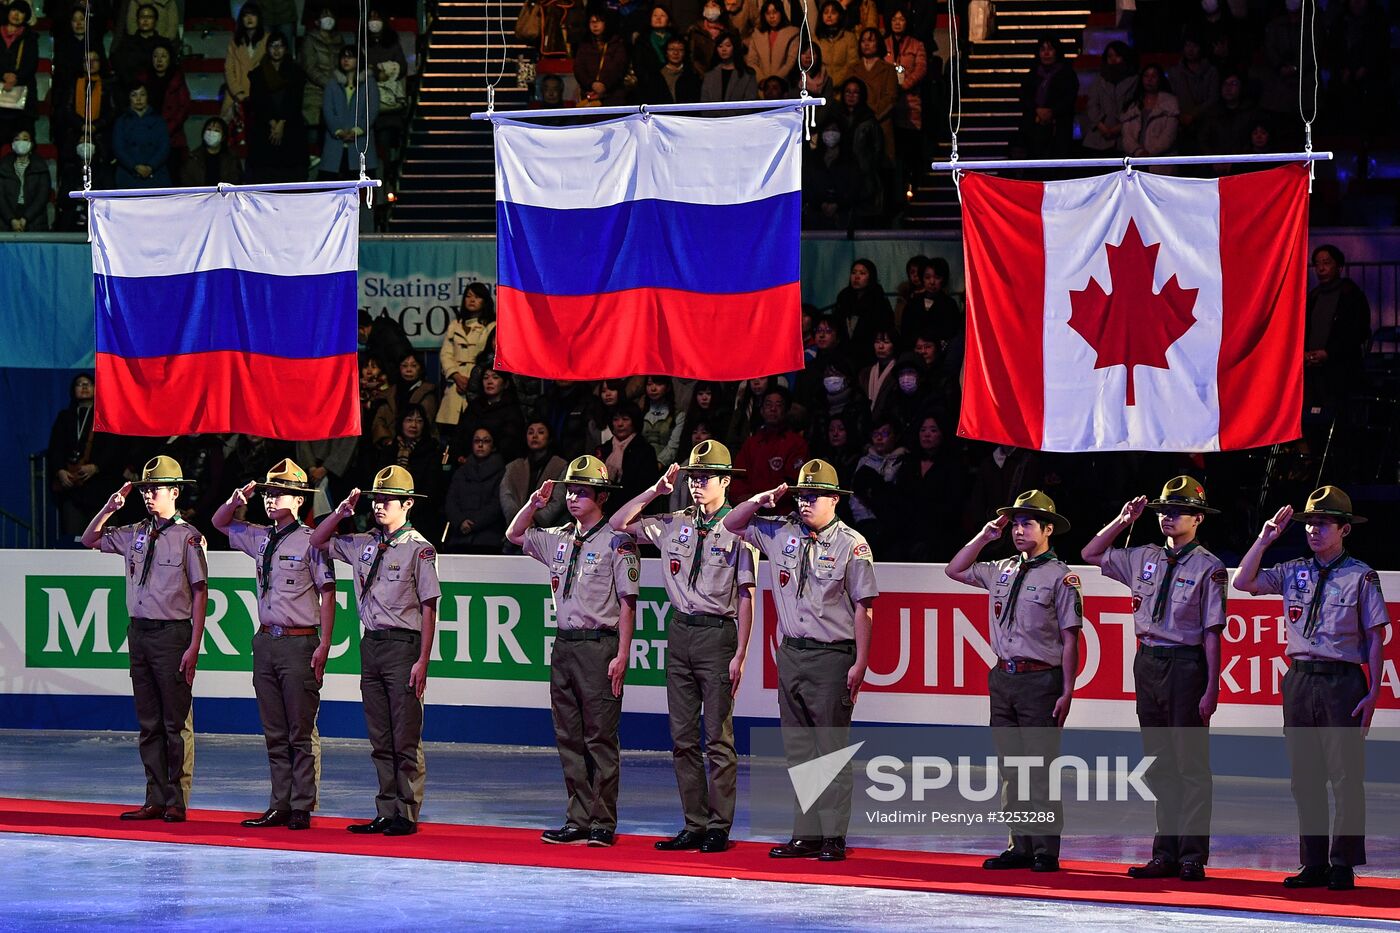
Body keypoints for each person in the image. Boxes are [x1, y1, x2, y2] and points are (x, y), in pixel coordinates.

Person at [1233, 486, 1387, 892]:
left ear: (1344, 529)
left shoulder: (1361, 576)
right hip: (1300, 679)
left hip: (1342, 682)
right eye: (1309, 524)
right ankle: (1314, 862)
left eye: (1323, 523)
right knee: (1305, 778)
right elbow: (1243, 581)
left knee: (1345, 778)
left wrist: (1373, 692)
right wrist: (1265, 539)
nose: (1313, 530)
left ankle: (1343, 864)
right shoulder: (1293, 570)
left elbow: (1376, 636)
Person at [723, 459, 878, 863]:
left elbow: (864, 608)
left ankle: (833, 836)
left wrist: (861, 662)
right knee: (799, 752)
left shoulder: (852, 544)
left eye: (814, 496)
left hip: (832, 656)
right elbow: (732, 523)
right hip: (791, 654)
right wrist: (761, 499)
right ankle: (806, 834)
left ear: (834, 500)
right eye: (801, 496)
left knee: (830, 750)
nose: (805, 502)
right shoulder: (781, 532)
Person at [611, 443, 757, 854]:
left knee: (717, 738)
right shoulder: (674, 522)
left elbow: (746, 595)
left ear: (725, 481)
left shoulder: (740, 529)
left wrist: (742, 652)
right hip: (680, 632)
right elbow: (620, 524)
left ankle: (718, 826)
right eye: (693, 477)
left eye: (705, 477)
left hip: (717, 634)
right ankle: (694, 823)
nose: (696, 484)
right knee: (682, 738)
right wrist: (655, 491)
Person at [1081, 477, 1227, 882]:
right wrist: (1123, 520)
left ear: (1198, 519)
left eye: (1178, 511)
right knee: (1160, 764)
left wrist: (1212, 686)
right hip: (1147, 662)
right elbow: (1091, 552)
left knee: (1190, 766)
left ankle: (1192, 855)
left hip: (1186, 665)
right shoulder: (1143, 556)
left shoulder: (1209, 567)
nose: (1168, 517)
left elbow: (1212, 633)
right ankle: (1164, 853)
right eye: (1163, 510)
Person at [945, 489, 1082, 873]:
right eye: (1016, 524)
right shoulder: (1001, 568)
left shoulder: (1061, 577)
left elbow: (1071, 638)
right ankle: (1019, 844)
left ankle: (1044, 850)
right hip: (1003, 677)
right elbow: (954, 570)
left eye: (1028, 524)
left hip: (1040, 681)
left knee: (1038, 769)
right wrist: (985, 536)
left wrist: (1068, 690)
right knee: (1011, 769)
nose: (1019, 530)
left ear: (1048, 529)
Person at [506, 456, 639, 847]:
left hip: (599, 645)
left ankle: (602, 821)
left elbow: (628, 603)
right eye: (570, 491)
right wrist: (533, 504)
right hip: (564, 645)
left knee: (600, 738)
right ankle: (578, 817)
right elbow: (515, 534)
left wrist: (623, 654)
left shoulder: (618, 541)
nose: (573, 498)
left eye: (582, 492)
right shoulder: (560, 537)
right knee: (569, 736)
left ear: (601, 497)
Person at [310, 466, 441, 837]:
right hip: (372, 643)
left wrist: (423, 660)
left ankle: (407, 813)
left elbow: (430, 607)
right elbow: (317, 540)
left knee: (405, 734)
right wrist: (340, 513)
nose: (379, 505)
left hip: (403, 646)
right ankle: (386, 809)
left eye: (387, 500)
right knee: (380, 736)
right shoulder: (363, 542)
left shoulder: (419, 548)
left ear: (407, 504)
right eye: (376, 499)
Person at [81, 456, 209, 823]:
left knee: (175, 723)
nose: (148, 495)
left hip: (172, 634)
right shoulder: (135, 531)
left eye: (155, 489)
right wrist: (109, 508)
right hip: (139, 633)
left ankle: (176, 800)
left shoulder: (188, 537)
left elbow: (200, 592)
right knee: (149, 722)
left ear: (175, 492)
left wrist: (194, 645)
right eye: (145, 490)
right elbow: (90, 539)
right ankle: (154, 797)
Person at [213, 460, 336, 832]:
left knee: (301, 729)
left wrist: (324, 644)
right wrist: (236, 501)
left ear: (299, 500)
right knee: (274, 730)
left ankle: (302, 805)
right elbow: (219, 523)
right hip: (266, 639)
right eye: (267, 493)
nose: (270, 499)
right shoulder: (261, 536)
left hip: (299, 642)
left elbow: (328, 594)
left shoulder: (312, 541)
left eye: (279, 493)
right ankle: (279, 803)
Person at [47, 373, 118, 538]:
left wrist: (96, 466)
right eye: (80, 384)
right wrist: (60, 471)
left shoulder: (105, 415)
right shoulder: (65, 417)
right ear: (73, 390)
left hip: (100, 487)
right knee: (73, 537)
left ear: (96, 389)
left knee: (103, 537)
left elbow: (115, 447)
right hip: (72, 488)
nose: (84, 387)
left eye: (88, 383)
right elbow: (55, 447)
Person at [247, 30, 308, 183]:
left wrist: (282, 122)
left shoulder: (296, 71)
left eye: (280, 46)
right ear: (267, 48)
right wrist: (272, 122)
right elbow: (258, 101)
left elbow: (295, 99)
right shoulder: (258, 73)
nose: (276, 49)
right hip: (264, 126)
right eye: (273, 46)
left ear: (286, 48)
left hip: (291, 125)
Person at [731, 386, 807, 504]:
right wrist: (747, 500)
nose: (773, 409)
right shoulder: (751, 443)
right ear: (761, 410)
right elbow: (738, 477)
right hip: (751, 508)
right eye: (768, 404)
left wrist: (764, 498)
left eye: (778, 405)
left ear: (787, 410)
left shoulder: (797, 444)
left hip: (783, 510)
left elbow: (793, 484)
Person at [500, 420, 569, 546]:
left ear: (549, 438)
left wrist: (534, 520)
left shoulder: (560, 465)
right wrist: (519, 520)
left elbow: (558, 500)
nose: (535, 436)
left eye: (540, 432)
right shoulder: (513, 466)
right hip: (514, 532)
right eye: (530, 432)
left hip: (547, 534)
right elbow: (506, 496)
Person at [438, 283, 495, 428]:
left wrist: (473, 382)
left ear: (485, 301)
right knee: (451, 428)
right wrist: (456, 376)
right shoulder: (455, 325)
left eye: (477, 297)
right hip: (455, 384)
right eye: (468, 296)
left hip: (480, 382)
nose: (472, 300)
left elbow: (491, 356)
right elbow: (446, 354)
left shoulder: (492, 326)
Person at [884, 6, 927, 198]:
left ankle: (912, 188)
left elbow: (921, 69)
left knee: (910, 151)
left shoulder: (917, 45)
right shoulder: (883, 43)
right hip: (889, 104)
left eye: (901, 19)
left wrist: (904, 85)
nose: (897, 23)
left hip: (910, 104)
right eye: (894, 19)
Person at [444, 426, 506, 553]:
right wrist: (460, 521)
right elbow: (451, 501)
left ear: (493, 445)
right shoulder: (461, 472)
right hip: (459, 538)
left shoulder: (502, 472)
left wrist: (473, 523)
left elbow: (497, 504)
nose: (480, 445)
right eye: (477, 441)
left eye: (486, 441)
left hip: (490, 539)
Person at [320, 45, 379, 179]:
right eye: (343, 57)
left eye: (350, 57)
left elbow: (372, 110)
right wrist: (338, 131)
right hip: (335, 144)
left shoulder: (369, 83)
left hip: (361, 143)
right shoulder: (332, 83)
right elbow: (328, 110)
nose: (346, 60)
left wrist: (358, 130)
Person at [1016, 36, 1077, 161]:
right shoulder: (1032, 74)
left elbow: (1069, 97)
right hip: (1034, 126)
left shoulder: (1067, 73)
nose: (1046, 53)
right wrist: (1037, 110)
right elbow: (1024, 96)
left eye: (1050, 49)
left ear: (1057, 51)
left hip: (1059, 127)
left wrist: (1052, 112)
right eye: (1042, 49)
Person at [832, 258, 895, 366]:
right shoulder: (844, 296)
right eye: (853, 273)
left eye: (862, 273)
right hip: (844, 354)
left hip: (870, 356)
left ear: (871, 277)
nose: (856, 277)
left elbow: (884, 327)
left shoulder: (878, 299)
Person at [1081, 40, 1137, 156]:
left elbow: (1136, 107)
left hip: (1125, 136)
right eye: (1110, 56)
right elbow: (1092, 105)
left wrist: (1119, 127)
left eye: (1117, 56)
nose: (1113, 59)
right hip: (1100, 136)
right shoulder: (1100, 80)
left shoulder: (1135, 81)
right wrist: (1101, 126)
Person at [143, 41, 191, 175]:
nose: (159, 60)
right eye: (155, 56)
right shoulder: (143, 79)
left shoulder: (177, 79)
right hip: (147, 135)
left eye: (163, 56)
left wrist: (166, 129)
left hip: (172, 136)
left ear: (170, 58)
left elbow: (184, 107)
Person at [113, 82, 172, 187]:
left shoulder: (159, 121)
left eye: (142, 94)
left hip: (156, 175)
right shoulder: (121, 122)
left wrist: (151, 166)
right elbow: (119, 149)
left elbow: (164, 146)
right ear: (128, 98)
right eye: (134, 95)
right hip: (128, 175)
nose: (139, 99)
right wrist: (134, 166)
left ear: (148, 97)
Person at [1120, 64, 1179, 160]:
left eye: (1153, 76)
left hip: (1161, 161)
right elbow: (1126, 136)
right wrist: (1138, 151)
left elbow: (1169, 135)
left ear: (1160, 79)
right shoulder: (1132, 105)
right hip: (1134, 160)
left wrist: (1149, 153)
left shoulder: (1170, 103)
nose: (1149, 79)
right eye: (1146, 76)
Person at [0, 0, 38, 143]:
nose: (16, 15)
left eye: (21, 12)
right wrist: (3, 75)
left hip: (23, 95)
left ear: (25, 17)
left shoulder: (30, 37)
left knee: (23, 138)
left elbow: (31, 64)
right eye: (14, 10)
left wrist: (15, 78)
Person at [301, 6, 343, 134]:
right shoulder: (310, 39)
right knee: (313, 129)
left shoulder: (339, 40)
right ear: (317, 21)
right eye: (324, 16)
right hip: (314, 91)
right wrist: (329, 83)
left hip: (335, 92)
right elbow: (310, 67)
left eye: (331, 16)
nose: (328, 19)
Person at [574, 11, 629, 106]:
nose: (595, 25)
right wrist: (592, 84)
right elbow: (579, 69)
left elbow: (619, 68)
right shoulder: (584, 45)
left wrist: (604, 85)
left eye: (599, 21)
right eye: (592, 21)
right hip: (589, 94)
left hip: (613, 96)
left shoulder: (617, 44)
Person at [0, 128, 49, 231]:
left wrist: (25, 218)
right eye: (17, 139)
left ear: (31, 144)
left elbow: (42, 196)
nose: (21, 142)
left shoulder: (41, 166)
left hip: (34, 221)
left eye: (25, 139)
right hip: (6, 221)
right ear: (12, 144)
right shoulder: (3, 166)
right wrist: (11, 219)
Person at [225, 2, 269, 109]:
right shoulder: (234, 43)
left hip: (262, 96)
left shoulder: (268, 40)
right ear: (241, 19)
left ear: (259, 18)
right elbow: (229, 70)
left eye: (253, 14)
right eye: (246, 15)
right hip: (238, 95)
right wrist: (238, 92)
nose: (249, 18)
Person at [745, 0, 797, 85]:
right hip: (761, 85)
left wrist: (775, 81)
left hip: (783, 85)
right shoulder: (757, 35)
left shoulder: (792, 34)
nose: (771, 16)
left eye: (775, 12)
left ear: (781, 13)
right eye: (768, 13)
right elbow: (751, 61)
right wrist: (762, 79)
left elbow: (790, 62)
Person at [639, 34, 702, 104]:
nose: (676, 53)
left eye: (680, 50)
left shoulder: (692, 76)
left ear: (685, 53)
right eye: (672, 49)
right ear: (666, 52)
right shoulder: (655, 76)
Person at [180, 116, 242, 186]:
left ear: (223, 136)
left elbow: (236, 180)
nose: (211, 133)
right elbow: (186, 182)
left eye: (216, 130)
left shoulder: (231, 158)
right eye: (209, 129)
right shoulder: (193, 157)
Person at [700, 29, 757, 102]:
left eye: (728, 45)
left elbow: (750, 102)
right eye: (720, 46)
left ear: (735, 47)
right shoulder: (709, 75)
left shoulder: (748, 74)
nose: (723, 49)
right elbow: (704, 102)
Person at [813, 0, 855, 86]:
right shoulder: (815, 38)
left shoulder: (849, 37)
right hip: (821, 86)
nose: (829, 16)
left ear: (840, 15)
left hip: (843, 86)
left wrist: (838, 82)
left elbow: (853, 64)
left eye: (833, 13)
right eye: (826, 12)